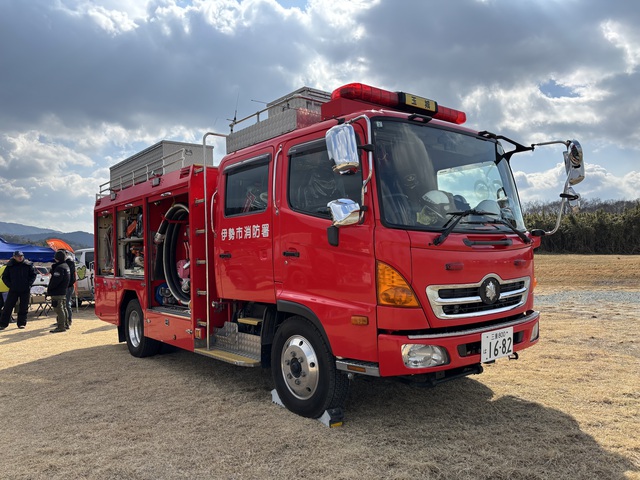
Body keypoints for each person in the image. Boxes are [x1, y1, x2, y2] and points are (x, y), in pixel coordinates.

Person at [0, 251, 37, 330]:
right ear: (14, 257)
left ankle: (21, 323)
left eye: (21, 256)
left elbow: (33, 275)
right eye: (18, 256)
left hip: (25, 289)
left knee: (23, 307)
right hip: (13, 289)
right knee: (8, 307)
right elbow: (4, 277)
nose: (20, 257)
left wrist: (29, 284)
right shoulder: (10, 265)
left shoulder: (28, 264)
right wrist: (10, 285)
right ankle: (3, 324)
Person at [47, 250, 70, 333]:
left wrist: (50, 289)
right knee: (63, 308)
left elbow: (55, 281)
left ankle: (61, 326)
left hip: (57, 291)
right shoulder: (66, 266)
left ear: (56, 258)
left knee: (58, 309)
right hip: (63, 290)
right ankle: (66, 323)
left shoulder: (59, 268)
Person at [58, 250, 76, 328]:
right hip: (64, 286)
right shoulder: (64, 262)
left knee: (67, 303)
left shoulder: (69, 262)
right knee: (61, 304)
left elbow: (68, 275)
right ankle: (61, 320)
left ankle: (68, 320)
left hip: (68, 286)